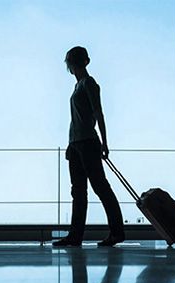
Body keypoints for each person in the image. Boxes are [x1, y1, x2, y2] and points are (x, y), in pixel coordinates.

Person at [53, 46, 125, 247]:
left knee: (99, 187)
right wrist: (70, 144)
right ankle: (75, 236)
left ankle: (116, 232)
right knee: (79, 191)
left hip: (87, 143)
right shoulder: (78, 87)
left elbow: (98, 113)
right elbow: (80, 118)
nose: (71, 66)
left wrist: (104, 142)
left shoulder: (89, 84)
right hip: (76, 143)